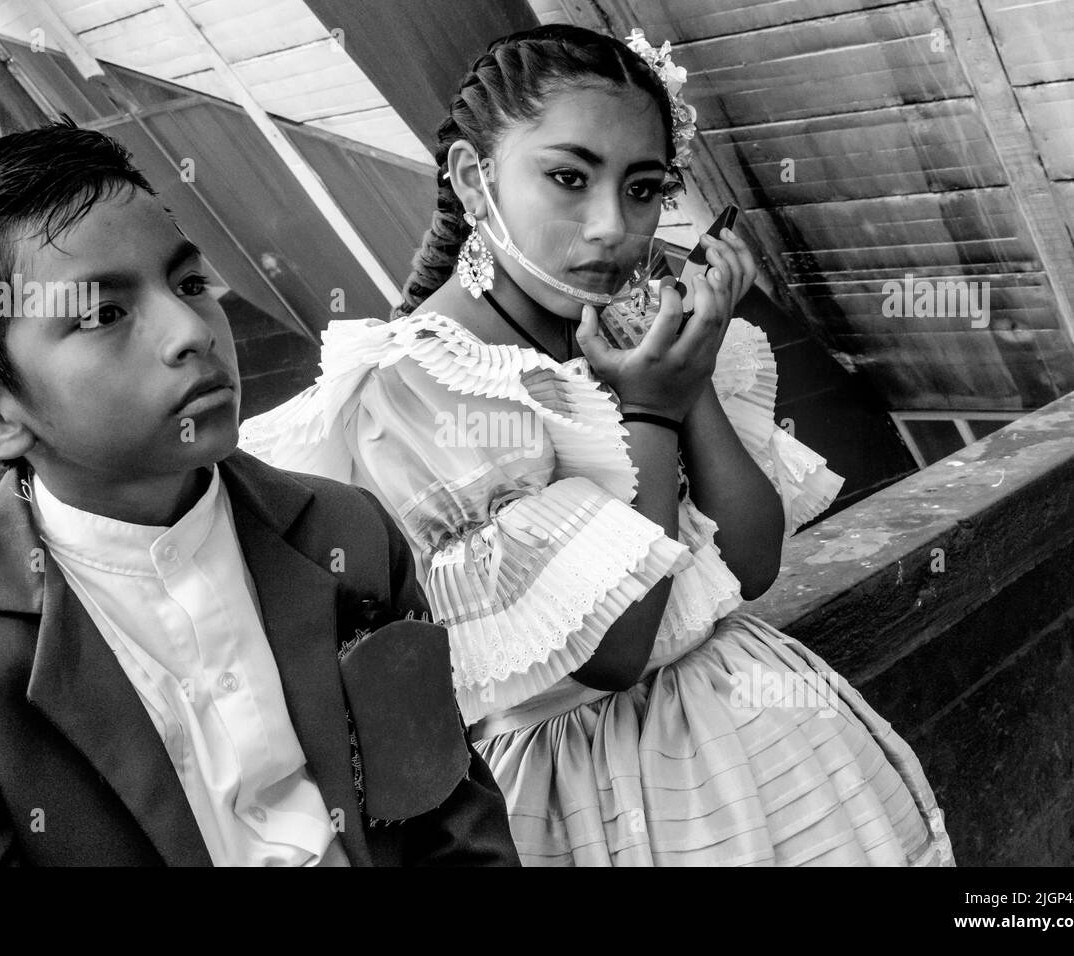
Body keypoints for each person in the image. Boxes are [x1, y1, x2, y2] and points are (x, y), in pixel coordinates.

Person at [241, 24, 954, 866]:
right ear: (475, 179)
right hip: (595, 792)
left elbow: (752, 563)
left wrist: (686, 382)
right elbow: (614, 650)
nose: (613, 227)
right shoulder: (417, 386)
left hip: (769, 749)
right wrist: (649, 412)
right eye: (569, 179)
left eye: (644, 188)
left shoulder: (632, 329)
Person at [0, 120, 518, 867]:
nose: (191, 332)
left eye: (192, 283)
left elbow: (449, 812)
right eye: (104, 315)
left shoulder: (347, 533)